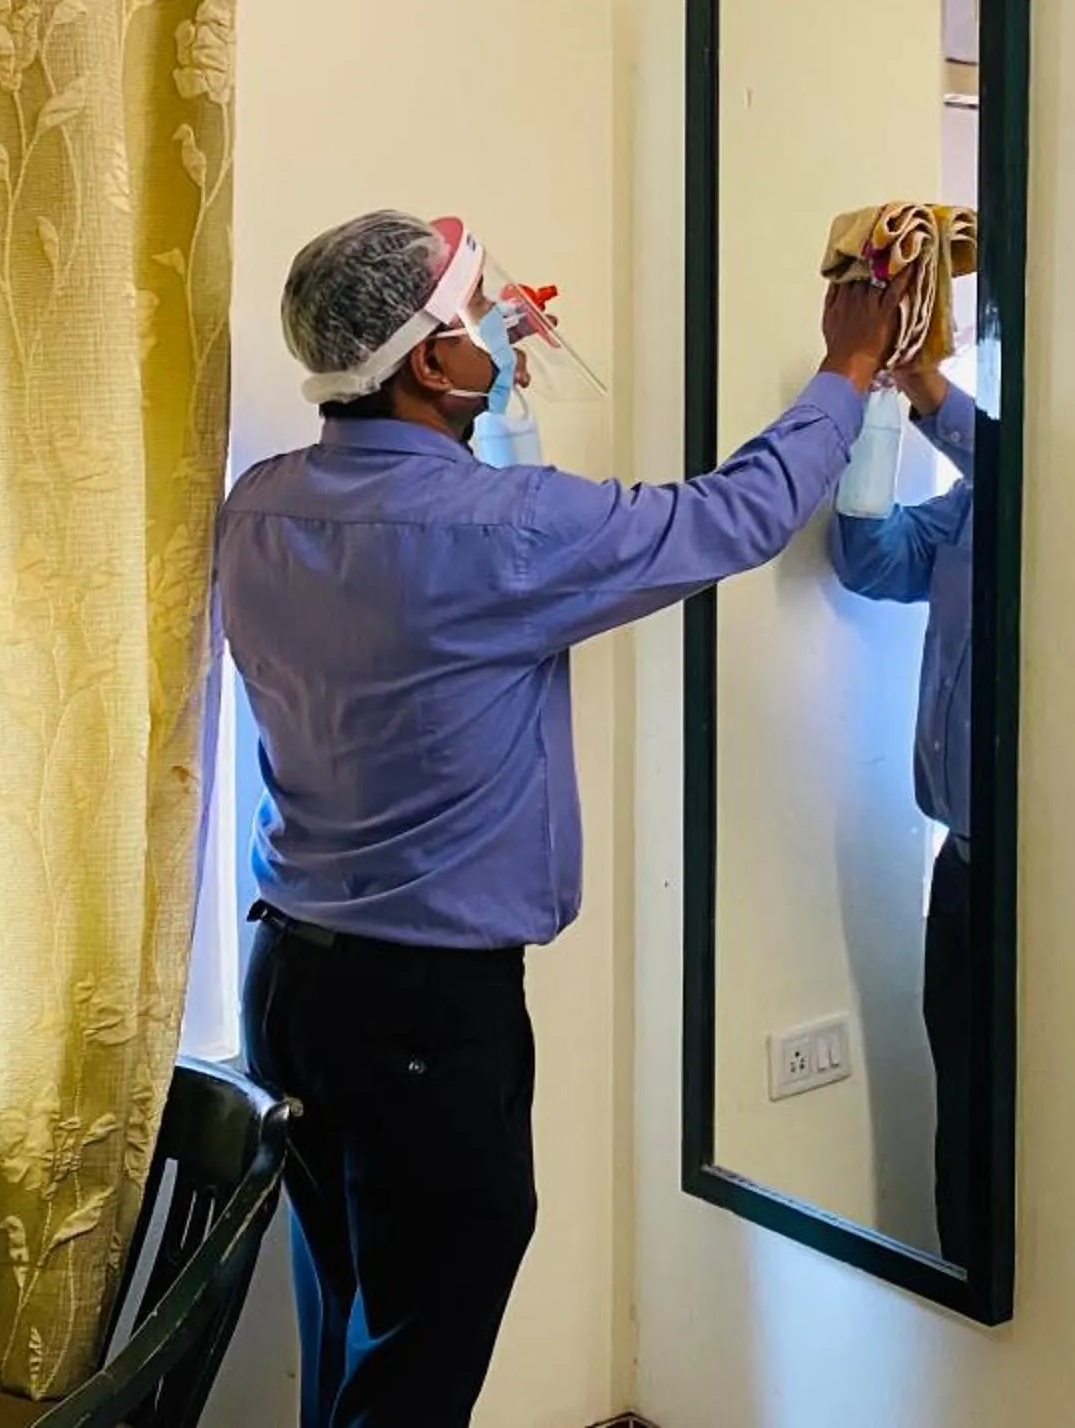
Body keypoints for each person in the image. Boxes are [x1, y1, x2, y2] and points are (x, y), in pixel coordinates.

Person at [216, 209, 899, 1428]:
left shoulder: (260, 506)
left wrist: (482, 387)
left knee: (353, 1312)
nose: (506, 327)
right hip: (424, 1010)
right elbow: (732, 515)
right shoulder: (504, 531)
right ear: (427, 362)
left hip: (290, 985)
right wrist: (847, 371)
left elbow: (446, 546)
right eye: (480, 313)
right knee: (423, 1345)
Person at [826, 361, 986, 1266]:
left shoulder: (1054, 498)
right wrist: (881, 407)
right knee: (958, 1110)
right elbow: (867, 557)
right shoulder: (970, 509)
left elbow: (1031, 477)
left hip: (1039, 892)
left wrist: (926, 386)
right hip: (960, 873)